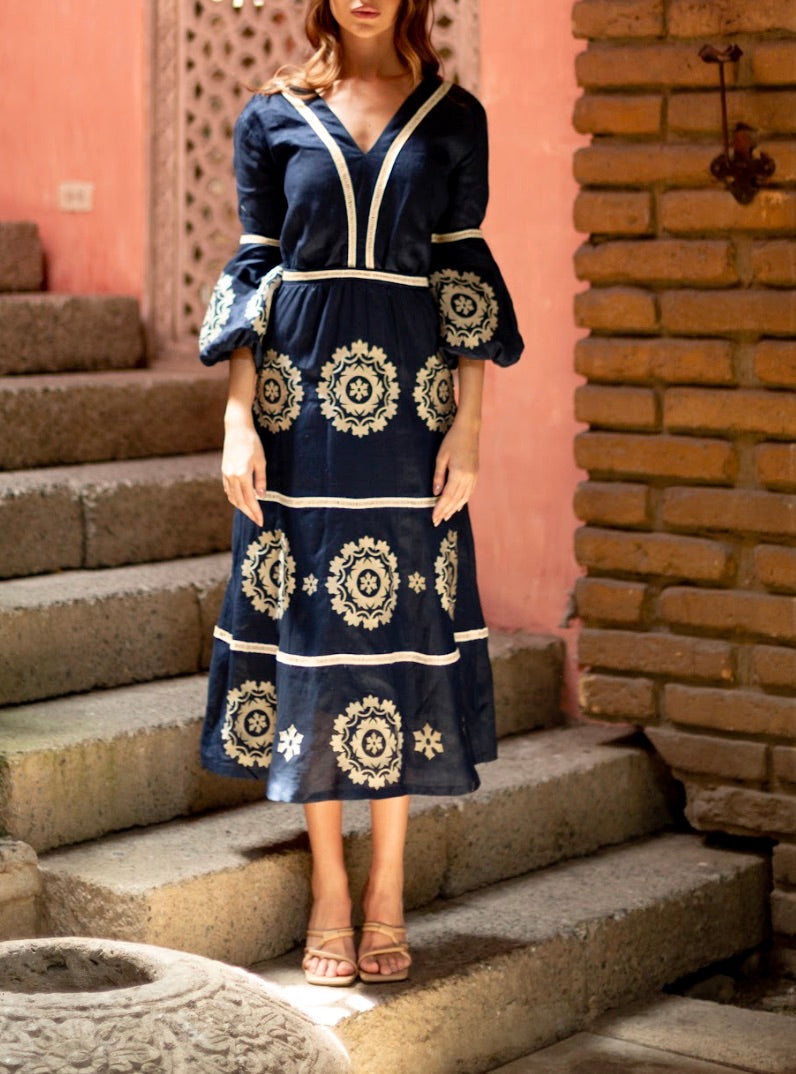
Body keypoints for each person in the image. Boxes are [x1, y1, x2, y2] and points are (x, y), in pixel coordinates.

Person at [197, 0, 523, 986]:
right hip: (298, 412)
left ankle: (387, 887)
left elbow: (464, 276)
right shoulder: (269, 116)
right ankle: (330, 891)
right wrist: (236, 418)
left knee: (399, 630)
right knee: (311, 634)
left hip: (412, 410)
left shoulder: (452, 115)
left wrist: (470, 427)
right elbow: (256, 269)